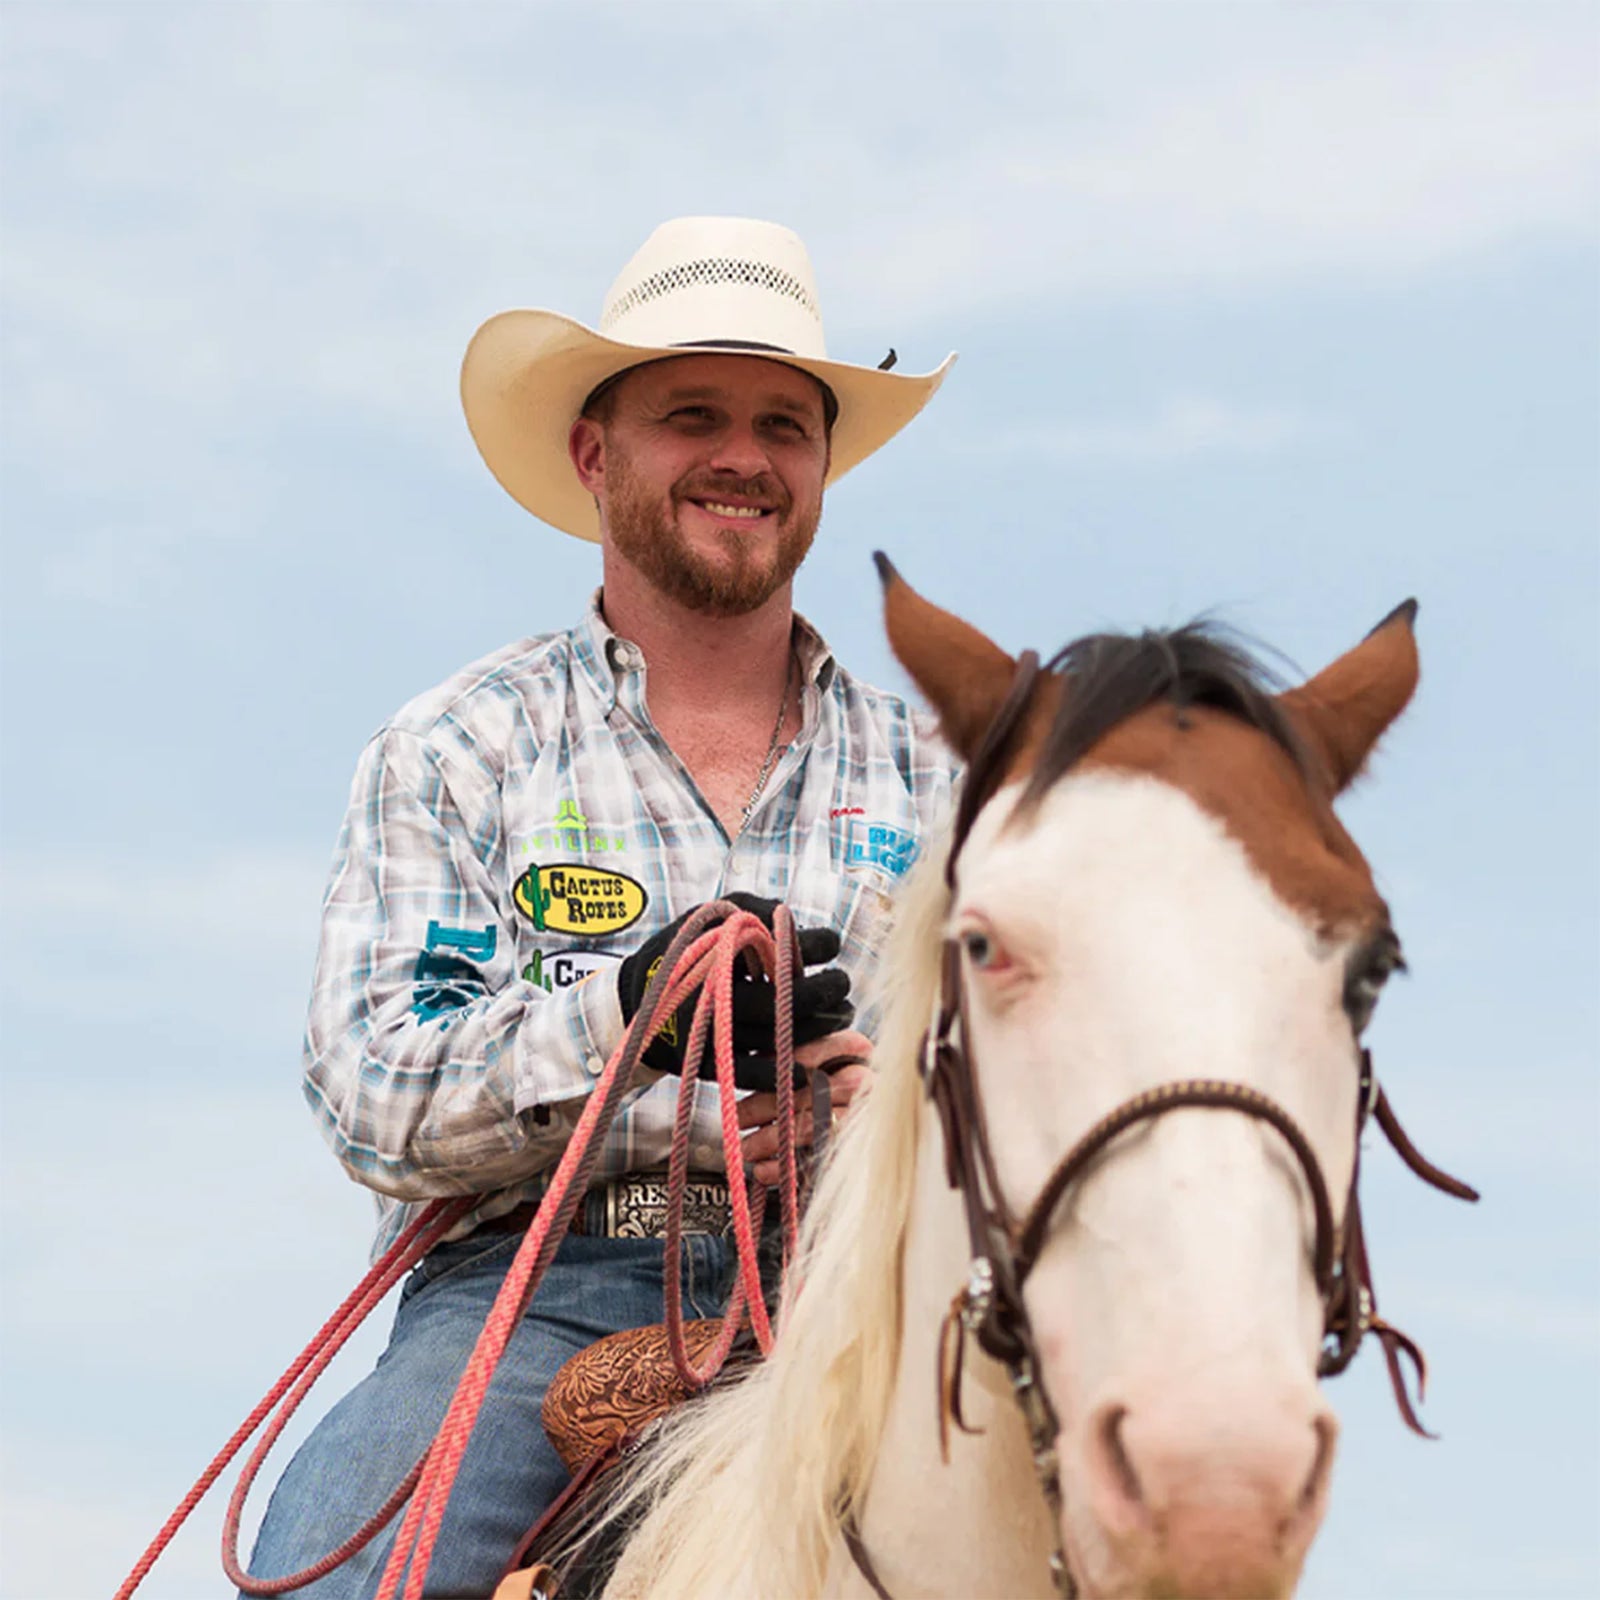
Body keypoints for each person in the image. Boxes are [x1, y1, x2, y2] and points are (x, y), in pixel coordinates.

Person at [245, 216, 959, 1597]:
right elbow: (371, 1095)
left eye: (782, 425)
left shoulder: (941, 779)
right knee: (323, 1573)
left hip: (866, 1293)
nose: (743, 458)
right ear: (596, 455)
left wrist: (887, 1115)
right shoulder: (461, 747)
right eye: (692, 416)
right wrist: (628, 1013)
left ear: (818, 469)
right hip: (535, 1293)